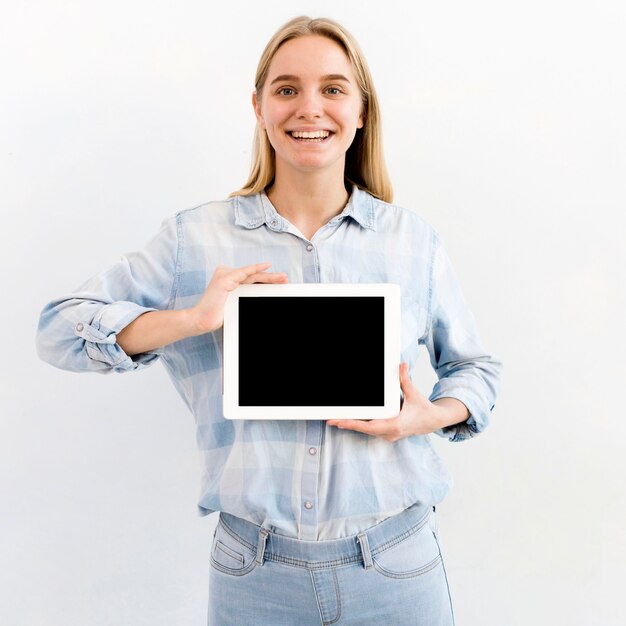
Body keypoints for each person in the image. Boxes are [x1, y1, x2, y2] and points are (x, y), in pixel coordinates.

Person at [36, 15, 502, 626]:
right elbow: (57, 329)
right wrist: (189, 319)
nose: (310, 107)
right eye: (287, 89)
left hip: (396, 564)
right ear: (258, 107)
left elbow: (475, 368)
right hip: (253, 574)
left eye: (333, 89)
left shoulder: (412, 240)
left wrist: (431, 414)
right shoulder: (193, 238)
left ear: (362, 112)